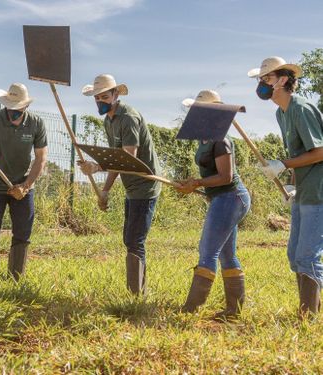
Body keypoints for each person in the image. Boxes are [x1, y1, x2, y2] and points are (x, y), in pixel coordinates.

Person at [250, 56, 323, 316]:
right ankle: (312, 308)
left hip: (319, 192)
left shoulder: (301, 108)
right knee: (294, 256)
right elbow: (298, 153)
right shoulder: (282, 113)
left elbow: (320, 151)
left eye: (266, 79)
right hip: (303, 190)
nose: (262, 84)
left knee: (307, 256)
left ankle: (308, 316)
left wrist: (283, 164)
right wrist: (292, 185)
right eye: (260, 80)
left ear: (282, 80)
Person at [78, 74, 162, 295]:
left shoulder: (128, 118)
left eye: (104, 96)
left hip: (145, 183)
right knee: (129, 238)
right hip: (130, 185)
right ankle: (137, 291)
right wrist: (105, 190)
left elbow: (127, 158)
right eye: (96, 98)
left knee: (135, 240)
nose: (100, 101)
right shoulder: (109, 121)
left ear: (116, 95)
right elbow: (116, 160)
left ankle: (137, 295)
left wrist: (96, 167)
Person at [176, 90, 251, 319]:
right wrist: (193, 184)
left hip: (231, 197)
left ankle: (190, 310)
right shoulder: (205, 139)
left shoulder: (221, 140)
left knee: (207, 251)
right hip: (223, 198)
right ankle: (233, 311)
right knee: (227, 255)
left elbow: (225, 177)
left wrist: (196, 182)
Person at [0, 83, 48, 283]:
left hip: (22, 186)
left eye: (17, 109)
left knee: (23, 232)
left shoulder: (36, 124)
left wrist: (26, 186)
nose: (12, 112)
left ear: (25, 107)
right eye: (9, 107)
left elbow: (41, 159)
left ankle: (15, 279)